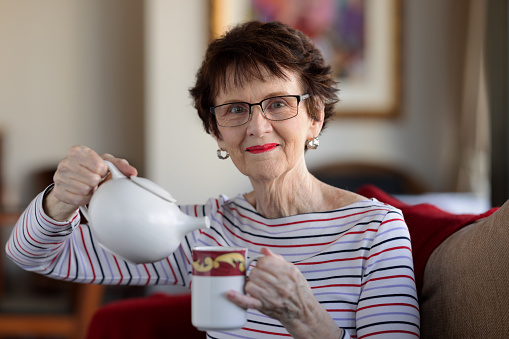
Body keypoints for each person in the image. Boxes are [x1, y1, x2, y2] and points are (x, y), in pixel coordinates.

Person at [6, 21, 419, 338]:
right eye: (235, 110)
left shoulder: (377, 230)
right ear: (217, 131)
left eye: (278, 103)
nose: (257, 127)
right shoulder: (210, 230)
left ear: (315, 117)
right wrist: (59, 202)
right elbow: (34, 256)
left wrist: (307, 320)